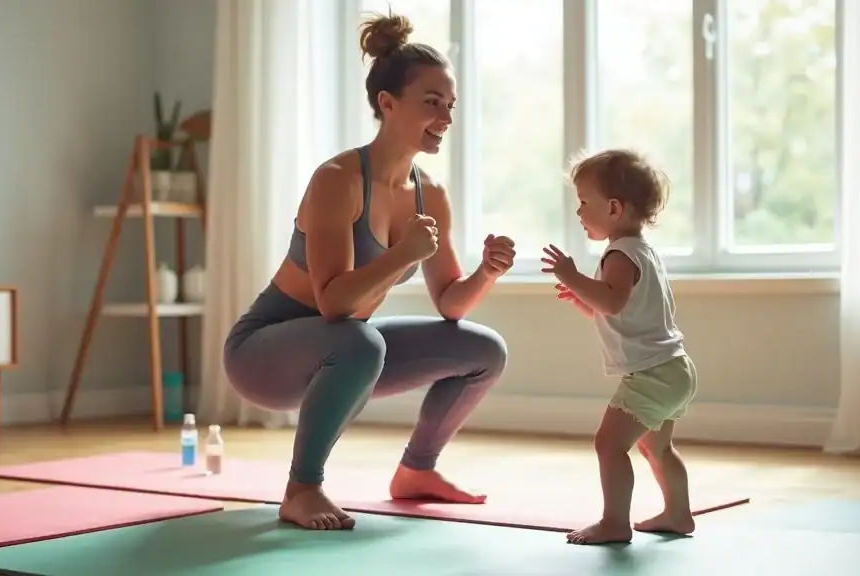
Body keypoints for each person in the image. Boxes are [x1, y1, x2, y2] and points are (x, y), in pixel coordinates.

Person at [222, 11, 515, 532]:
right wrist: (403, 253)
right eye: (432, 102)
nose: (446, 117)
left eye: (450, 105)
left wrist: (486, 272)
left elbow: (449, 302)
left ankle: (416, 472)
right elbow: (334, 303)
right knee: (361, 342)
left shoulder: (431, 194)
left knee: (484, 349)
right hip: (263, 353)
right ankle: (302, 488)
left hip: (344, 347)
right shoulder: (337, 179)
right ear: (387, 103)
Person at [540, 149, 698, 545]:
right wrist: (581, 297)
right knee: (658, 448)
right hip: (674, 369)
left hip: (651, 373)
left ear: (613, 208)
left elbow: (611, 301)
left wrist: (572, 276)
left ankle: (614, 522)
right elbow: (618, 312)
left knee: (609, 444)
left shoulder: (619, 254)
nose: (578, 212)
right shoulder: (642, 251)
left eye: (583, 202)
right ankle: (678, 513)